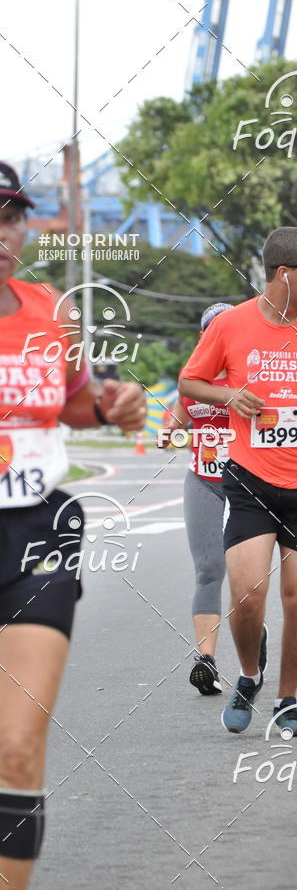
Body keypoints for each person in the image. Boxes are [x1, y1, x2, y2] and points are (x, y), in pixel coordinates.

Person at [0, 162, 146, 889]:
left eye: (11, 217)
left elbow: (74, 401)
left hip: (36, 531)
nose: (3, 234)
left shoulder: (49, 310)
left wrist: (115, 404)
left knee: (19, 745)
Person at [180, 227, 297, 736]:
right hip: (249, 477)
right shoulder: (233, 325)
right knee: (246, 595)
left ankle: (287, 700)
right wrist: (230, 397)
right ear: (284, 274)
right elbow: (190, 380)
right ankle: (249, 674)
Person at [158, 303, 267, 696]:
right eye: (209, 330)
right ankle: (206, 660)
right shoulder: (192, 376)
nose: (215, 336)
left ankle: (255, 632)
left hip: (249, 483)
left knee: (246, 580)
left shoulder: (254, 372)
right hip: (203, 479)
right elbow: (177, 417)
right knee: (208, 569)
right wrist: (167, 431)